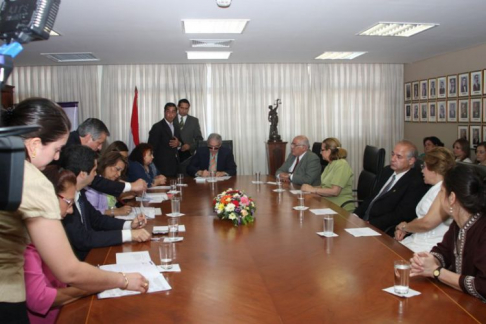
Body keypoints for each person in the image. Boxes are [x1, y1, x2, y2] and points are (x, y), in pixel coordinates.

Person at [0, 98, 148, 323]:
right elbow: (68, 270)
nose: (58, 158)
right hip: (7, 297)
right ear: (34, 144)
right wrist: (123, 280)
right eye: (57, 149)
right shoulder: (30, 179)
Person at [410, 164, 486, 302]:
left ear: (452, 198)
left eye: (441, 191)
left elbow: (483, 286)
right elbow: (443, 251)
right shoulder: (458, 223)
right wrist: (429, 260)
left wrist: (436, 271)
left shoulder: (483, 228)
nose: (439, 196)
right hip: (462, 301)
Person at [61, 145, 151, 261]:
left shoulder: (79, 194)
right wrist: (130, 235)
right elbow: (84, 239)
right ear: (83, 174)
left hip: (91, 254)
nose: (95, 175)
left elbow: (98, 219)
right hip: (80, 261)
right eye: (94, 171)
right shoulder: (65, 202)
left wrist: (129, 225)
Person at [24, 168, 89, 324]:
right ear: (48, 197)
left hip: (66, 309)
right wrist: (88, 287)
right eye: (68, 202)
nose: (71, 209)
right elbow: (40, 299)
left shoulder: (53, 229)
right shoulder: (27, 239)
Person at [354, 140, 429, 236]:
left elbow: (401, 214)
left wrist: (371, 224)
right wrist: (355, 214)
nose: (393, 159)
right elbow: (372, 197)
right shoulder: (386, 171)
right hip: (363, 221)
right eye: (393, 154)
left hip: (381, 228)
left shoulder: (416, 182)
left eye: (399, 157)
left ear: (411, 161)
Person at [62, 118, 147, 198]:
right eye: (99, 143)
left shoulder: (74, 141)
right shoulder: (72, 148)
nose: (100, 148)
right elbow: (94, 180)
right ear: (88, 137)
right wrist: (131, 186)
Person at [394, 148, 455, 252]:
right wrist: (406, 228)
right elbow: (422, 217)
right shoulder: (435, 188)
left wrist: (405, 227)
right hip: (416, 240)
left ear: (434, 170)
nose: (422, 170)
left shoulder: (445, 190)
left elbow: (427, 223)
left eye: (424, 166)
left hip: (430, 247)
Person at [301, 138, 354, 212]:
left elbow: (335, 192)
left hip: (340, 207)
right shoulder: (330, 164)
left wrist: (313, 189)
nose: (320, 153)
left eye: (322, 150)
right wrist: (309, 188)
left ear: (329, 151)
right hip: (326, 203)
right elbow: (324, 186)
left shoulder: (342, 164)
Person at [85, 151, 132, 216]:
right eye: (117, 169)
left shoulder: (112, 182)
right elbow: (92, 213)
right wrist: (116, 211)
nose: (119, 174)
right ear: (107, 164)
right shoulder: (94, 184)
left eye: (121, 171)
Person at [148, 102, 182, 177]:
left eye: (173, 112)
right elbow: (151, 148)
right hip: (162, 166)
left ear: (176, 113)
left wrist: (178, 144)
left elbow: (180, 142)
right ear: (164, 112)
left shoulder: (176, 126)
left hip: (175, 165)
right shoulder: (157, 127)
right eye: (168, 111)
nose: (171, 114)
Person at [173, 99, 203, 163]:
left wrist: (190, 146)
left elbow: (199, 139)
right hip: (171, 154)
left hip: (187, 155)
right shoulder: (171, 119)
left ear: (189, 108)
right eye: (182, 108)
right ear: (178, 107)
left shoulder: (194, 121)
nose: (184, 110)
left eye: (186, 108)